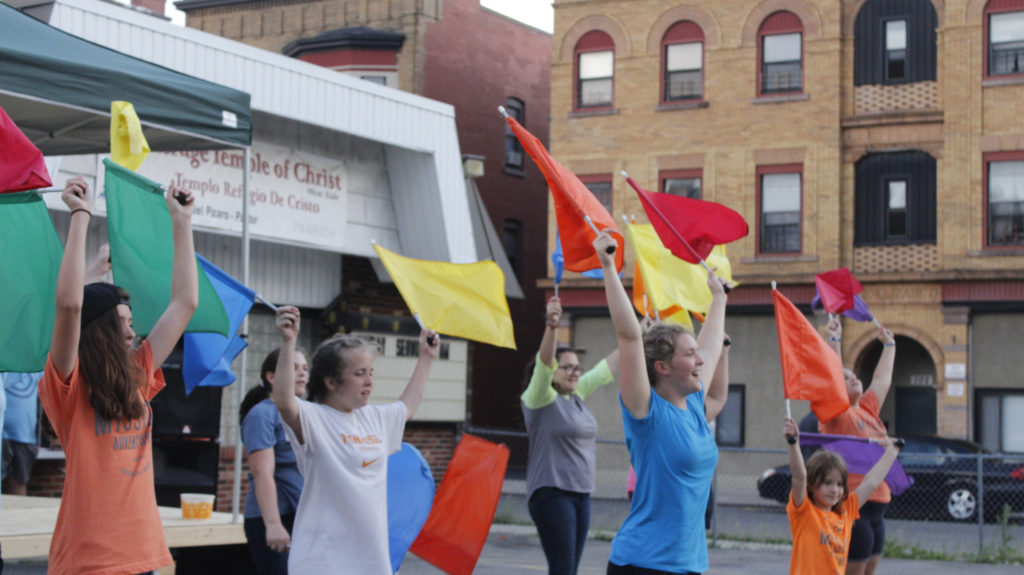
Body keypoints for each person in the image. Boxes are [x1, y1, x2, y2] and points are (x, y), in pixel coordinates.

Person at [39, 176, 197, 574]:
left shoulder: (138, 372)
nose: (131, 332)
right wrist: (79, 216)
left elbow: (185, 302)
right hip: (88, 561)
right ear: (99, 330)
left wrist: (182, 222)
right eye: (121, 322)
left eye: (132, 322)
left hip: (141, 552)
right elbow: (71, 306)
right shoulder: (67, 384)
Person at [593, 231, 729, 575]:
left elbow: (711, 345)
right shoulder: (646, 411)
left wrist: (719, 298)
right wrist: (609, 266)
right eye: (690, 354)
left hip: (690, 565)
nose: (700, 360)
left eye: (697, 353)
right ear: (662, 367)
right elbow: (628, 336)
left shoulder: (696, 406)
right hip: (642, 564)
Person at [269, 306, 438, 574]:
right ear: (331, 383)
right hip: (321, 561)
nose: (369, 382)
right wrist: (289, 340)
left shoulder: (375, 418)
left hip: (371, 562)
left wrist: (426, 358)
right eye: (359, 374)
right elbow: (284, 401)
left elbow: (408, 406)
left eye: (370, 373)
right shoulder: (314, 418)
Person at [521, 296, 619, 575]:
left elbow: (605, 369)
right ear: (554, 372)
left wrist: (638, 333)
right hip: (552, 494)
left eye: (578, 367)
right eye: (568, 367)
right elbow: (544, 363)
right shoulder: (540, 398)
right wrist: (552, 327)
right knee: (563, 569)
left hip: (581, 494)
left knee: (569, 569)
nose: (575, 372)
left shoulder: (575, 395)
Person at [819, 320, 896, 575]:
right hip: (855, 506)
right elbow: (832, 378)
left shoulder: (866, 410)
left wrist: (889, 345)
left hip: (879, 507)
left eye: (855, 376)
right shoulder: (838, 417)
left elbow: (882, 380)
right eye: (847, 378)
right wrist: (835, 340)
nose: (854, 378)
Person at [783, 416, 899, 575]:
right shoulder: (804, 511)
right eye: (827, 483)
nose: (834, 490)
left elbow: (871, 482)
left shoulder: (846, 511)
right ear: (811, 484)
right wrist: (793, 443)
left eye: (839, 484)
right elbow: (799, 476)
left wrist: (891, 452)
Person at [239, 348, 309, 574]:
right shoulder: (262, 415)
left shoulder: (307, 412)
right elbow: (262, 473)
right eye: (294, 367)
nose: (302, 374)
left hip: (302, 514)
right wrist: (273, 524)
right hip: (273, 517)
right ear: (271, 377)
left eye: (305, 368)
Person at [2, 371, 43, 496]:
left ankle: (16, 515)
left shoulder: (36, 369)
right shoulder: (3, 366)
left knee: (19, 482)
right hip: (2, 436)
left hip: (26, 437)